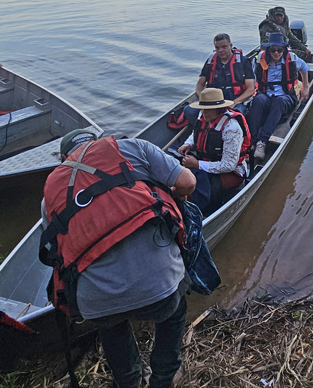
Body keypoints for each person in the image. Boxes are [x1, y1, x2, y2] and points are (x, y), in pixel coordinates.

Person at [41, 129, 196, 388]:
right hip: (159, 286)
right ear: (98, 143)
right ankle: (163, 378)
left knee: (111, 323)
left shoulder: (50, 192)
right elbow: (188, 182)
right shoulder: (133, 147)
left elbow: (57, 249)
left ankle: (129, 380)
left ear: (63, 159)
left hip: (95, 299)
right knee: (174, 308)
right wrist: (171, 195)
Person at [178, 88, 251, 215]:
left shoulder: (232, 128)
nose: (203, 112)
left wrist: (197, 164)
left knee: (201, 185)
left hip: (231, 172)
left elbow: (228, 165)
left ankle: (202, 212)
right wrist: (188, 144)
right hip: (205, 162)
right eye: (202, 108)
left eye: (208, 109)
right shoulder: (204, 116)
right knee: (179, 172)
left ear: (219, 109)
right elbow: (196, 132)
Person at [247, 32, 310, 160]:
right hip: (266, 94)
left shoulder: (292, 58)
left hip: (285, 96)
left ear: (284, 49)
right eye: (273, 50)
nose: (276, 53)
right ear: (269, 49)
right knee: (258, 100)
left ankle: (262, 142)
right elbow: (252, 76)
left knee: (279, 101)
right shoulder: (260, 58)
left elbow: (305, 68)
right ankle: (251, 142)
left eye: (279, 50)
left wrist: (305, 88)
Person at [184, 33, 255, 127]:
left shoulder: (243, 62)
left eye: (224, 47)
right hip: (213, 100)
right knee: (189, 110)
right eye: (217, 48)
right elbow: (199, 84)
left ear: (230, 46)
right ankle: (203, 130)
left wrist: (235, 102)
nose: (221, 50)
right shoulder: (210, 61)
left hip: (234, 100)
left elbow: (250, 89)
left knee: (237, 116)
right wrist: (203, 98)